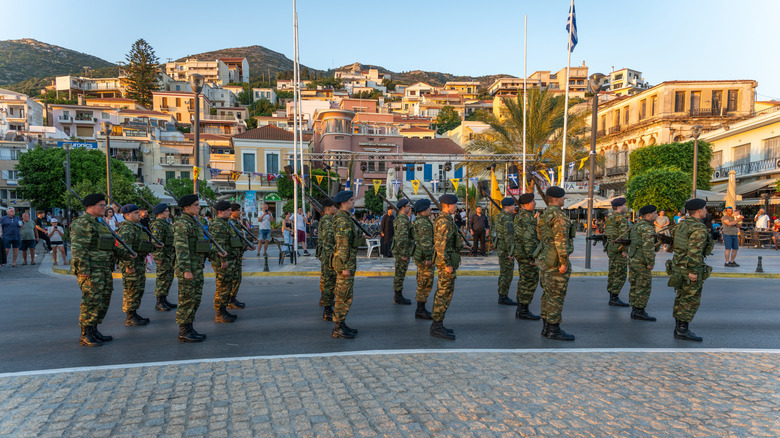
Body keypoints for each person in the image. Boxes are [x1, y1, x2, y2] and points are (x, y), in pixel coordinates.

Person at [71, 193, 134, 347]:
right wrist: (84, 270)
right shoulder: (82, 223)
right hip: (91, 270)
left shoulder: (100, 223)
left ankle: (94, 329)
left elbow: (110, 246)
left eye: (104, 205)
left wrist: (127, 255)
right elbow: (79, 250)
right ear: (90, 206)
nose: (104, 208)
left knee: (103, 300)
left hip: (104, 268)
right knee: (91, 301)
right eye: (101, 205)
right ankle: (85, 333)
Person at [668, 198, 713, 342]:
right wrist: (693, 271)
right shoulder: (698, 228)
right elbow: (695, 252)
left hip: (678, 266)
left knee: (681, 297)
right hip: (689, 268)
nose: (706, 211)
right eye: (705, 209)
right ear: (699, 210)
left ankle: (679, 328)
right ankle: (682, 330)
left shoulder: (682, 225)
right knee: (690, 299)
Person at [174, 194, 217, 343]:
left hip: (197, 266)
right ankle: (184, 331)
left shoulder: (194, 222)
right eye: (196, 205)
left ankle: (189, 327)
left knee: (194, 299)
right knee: (186, 300)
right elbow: (181, 249)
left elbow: (201, 244)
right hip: (189, 268)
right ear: (187, 207)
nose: (199, 208)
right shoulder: (182, 224)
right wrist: (186, 270)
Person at [536, 186, 575, 341]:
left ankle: (546, 327)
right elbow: (561, 242)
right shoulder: (559, 216)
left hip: (546, 258)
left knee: (547, 294)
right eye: (563, 197)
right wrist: (564, 262)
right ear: (558, 199)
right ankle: (554, 329)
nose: (564, 200)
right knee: (556, 296)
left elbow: (540, 235)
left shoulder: (544, 214)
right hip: (556, 261)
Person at [116, 204, 160, 326]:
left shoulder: (137, 227)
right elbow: (124, 249)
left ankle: (134, 313)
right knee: (131, 289)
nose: (139, 214)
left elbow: (140, 245)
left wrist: (153, 247)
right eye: (136, 212)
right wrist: (129, 266)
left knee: (138, 289)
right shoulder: (126, 229)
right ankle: (130, 316)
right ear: (127, 215)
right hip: (132, 265)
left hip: (139, 262)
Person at [330, 191, 365, 339]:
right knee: (342, 295)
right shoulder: (343, 220)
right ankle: (337, 327)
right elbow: (343, 244)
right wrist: (345, 266)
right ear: (343, 203)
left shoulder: (345, 218)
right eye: (351, 200)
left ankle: (342, 323)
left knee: (346, 295)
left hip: (348, 261)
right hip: (345, 263)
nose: (353, 202)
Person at [431, 193, 462, 340]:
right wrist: (447, 264)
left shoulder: (445, 219)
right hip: (445, 264)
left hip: (446, 262)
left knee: (444, 293)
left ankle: (438, 324)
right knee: (443, 294)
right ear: (448, 205)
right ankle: (436, 326)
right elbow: (440, 246)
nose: (456, 207)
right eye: (454, 204)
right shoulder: (444, 222)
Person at [628, 205, 660, 321]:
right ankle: (639, 310)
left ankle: (635, 309)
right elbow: (648, 247)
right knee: (644, 285)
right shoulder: (647, 228)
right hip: (641, 260)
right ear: (648, 215)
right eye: (655, 213)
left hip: (633, 258)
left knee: (635, 284)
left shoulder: (636, 225)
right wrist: (650, 262)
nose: (657, 215)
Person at [208, 201, 238, 324]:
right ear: (221, 211)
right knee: (222, 287)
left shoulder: (225, 223)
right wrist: (223, 260)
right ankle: (219, 313)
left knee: (227, 286)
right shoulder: (217, 225)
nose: (231, 212)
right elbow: (218, 246)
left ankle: (223, 310)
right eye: (228, 210)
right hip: (222, 261)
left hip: (229, 259)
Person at [513, 193, 541, 320]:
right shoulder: (527, 218)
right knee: (529, 281)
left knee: (524, 281)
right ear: (527, 204)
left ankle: (521, 309)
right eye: (533, 201)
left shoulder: (520, 216)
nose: (535, 203)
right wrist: (532, 258)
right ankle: (523, 310)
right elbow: (529, 239)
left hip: (521, 253)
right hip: (526, 255)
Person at [150, 203, 178, 311]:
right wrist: (158, 257)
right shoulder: (158, 224)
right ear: (160, 213)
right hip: (163, 255)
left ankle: (164, 299)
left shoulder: (165, 223)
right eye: (166, 211)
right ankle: (159, 302)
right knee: (162, 279)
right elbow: (157, 242)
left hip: (168, 255)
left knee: (168, 278)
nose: (168, 213)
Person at [604, 197, 630, 307]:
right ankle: (614, 297)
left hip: (611, 247)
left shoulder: (610, 218)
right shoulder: (622, 219)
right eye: (624, 205)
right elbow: (623, 236)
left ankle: (612, 295)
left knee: (613, 272)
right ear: (619, 207)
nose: (626, 207)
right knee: (620, 273)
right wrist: (624, 250)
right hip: (619, 249)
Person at [412, 198, 435, 320]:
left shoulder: (420, 221)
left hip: (420, 255)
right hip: (424, 257)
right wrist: (428, 257)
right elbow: (426, 242)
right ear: (423, 210)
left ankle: (421, 308)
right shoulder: (424, 223)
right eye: (428, 208)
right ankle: (420, 310)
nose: (430, 209)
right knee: (424, 283)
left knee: (422, 281)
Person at [494, 198, 518, 306]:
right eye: (513, 205)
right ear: (508, 206)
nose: (515, 207)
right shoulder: (507, 218)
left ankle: (502, 295)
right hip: (505, 249)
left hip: (501, 247)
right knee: (507, 274)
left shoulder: (500, 216)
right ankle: (503, 296)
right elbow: (509, 236)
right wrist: (511, 252)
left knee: (504, 272)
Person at [316, 199, 337, 321]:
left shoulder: (326, 219)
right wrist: (332, 259)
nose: (336, 208)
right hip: (328, 256)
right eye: (335, 206)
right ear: (329, 208)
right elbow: (329, 241)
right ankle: (327, 310)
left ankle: (324, 300)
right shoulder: (327, 221)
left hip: (325, 255)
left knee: (325, 280)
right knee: (329, 283)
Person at [391, 199, 414, 305]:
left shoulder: (403, 219)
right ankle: (398, 296)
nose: (410, 208)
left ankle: (398, 295)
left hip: (400, 250)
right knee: (400, 274)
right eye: (408, 206)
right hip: (402, 251)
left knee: (400, 273)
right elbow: (402, 238)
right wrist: (404, 253)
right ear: (403, 208)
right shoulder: (402, 220)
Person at [228, 203, 248, 310]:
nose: (240, 212)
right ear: (233, 211)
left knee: (237, 279)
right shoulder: (230, 223)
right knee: (233, 279)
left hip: (237, 255)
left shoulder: (236, 222)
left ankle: (232, 298)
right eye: (238, 210)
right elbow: (233, 239)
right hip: (232, 256)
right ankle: (229, 300)